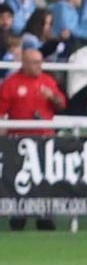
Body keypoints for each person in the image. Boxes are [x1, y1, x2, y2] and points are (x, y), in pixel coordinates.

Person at [2, 46, 64, 230]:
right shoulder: (11, 84)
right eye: (35, 62)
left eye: (40, 62)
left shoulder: (48, 82)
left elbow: (61, 105)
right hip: (19, 143)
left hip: (45, 142)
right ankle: (18, 218)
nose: (39, 66)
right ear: (24, 63)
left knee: (44, 181)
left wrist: (52, 97)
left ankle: (45, 219)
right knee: (20, 182)